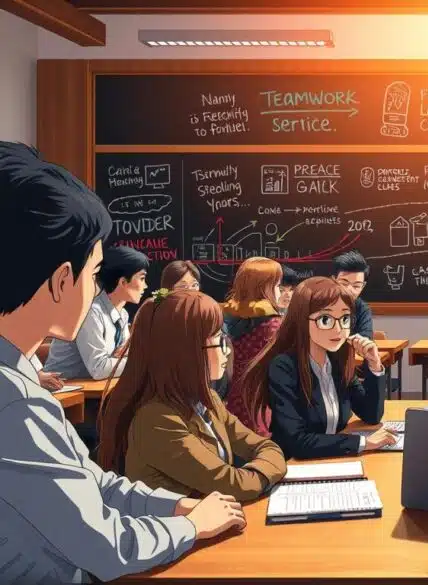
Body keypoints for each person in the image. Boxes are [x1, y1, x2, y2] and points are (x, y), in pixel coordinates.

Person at [0, 141, 243, 583]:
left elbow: (93, 483)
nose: (96, 289)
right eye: (95, 275)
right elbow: (105, 545)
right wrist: (191, 526)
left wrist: (175, 506)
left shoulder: (19, 379)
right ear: (61, 279)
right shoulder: (15, 403)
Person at [97, 289, 286, 502]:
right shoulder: (156, 420)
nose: (227, 350)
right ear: (185, 351)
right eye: (218, 340)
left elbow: (265, 446)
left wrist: (260, 469)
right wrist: (268, 470)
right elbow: (233, 485)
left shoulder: (208, 400)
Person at [242, 277, 396, 459]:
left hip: (333, 458)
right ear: (301, 319)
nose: (338, 329)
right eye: (325, 319)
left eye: (345, 318)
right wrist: (364, 443)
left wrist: (374, 365)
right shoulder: (284, 367)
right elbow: (297, 442)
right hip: (295, 464)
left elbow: (371, 415)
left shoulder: (337, 361)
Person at [46, 245, 149, 380]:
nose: (145, 286)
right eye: (142, 278)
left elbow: (122, 355)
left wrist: (127, 356)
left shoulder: (122, 314)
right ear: (123, 282)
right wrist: (141, 361)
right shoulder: (90, 312)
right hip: (65, 388)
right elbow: (99, 369)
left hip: (92, 386)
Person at [222, 256, 284, 436]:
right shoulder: (273, 326)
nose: (280, 292)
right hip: (263, 403)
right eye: (277, 286)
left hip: (235, 400)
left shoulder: (229, 318)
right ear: (264, 288)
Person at [331, 250, 373, 339]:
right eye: (344, 283)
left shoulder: (362, 309)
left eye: (356, 286)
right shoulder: (319, 304)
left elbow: (366, 338)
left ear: (363, 286)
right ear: (333, 280)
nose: (349, 290)